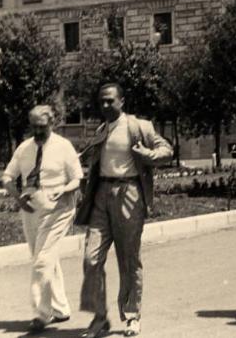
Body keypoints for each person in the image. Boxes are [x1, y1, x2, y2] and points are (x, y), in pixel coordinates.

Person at [76, 83, 173, 338]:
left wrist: (147, 154)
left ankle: (132, 316)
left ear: (122, 101)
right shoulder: (100, 130)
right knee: (90, 258)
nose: (105, 105)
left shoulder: (139, 126)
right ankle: (99, 318)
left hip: (129, 193)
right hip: (101, 196)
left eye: (110, 100)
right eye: (101, 101)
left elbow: (167, 151)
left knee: (129, 259)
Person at [2, 105, 84, 333]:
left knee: (42, 260)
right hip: (31, 209)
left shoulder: (63, 146)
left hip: (59, 209)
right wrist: (19, 200)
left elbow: (78, 178)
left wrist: (65, 189)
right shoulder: (24, 148)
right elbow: (8, 177)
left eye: (42, 126)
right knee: (44, 258)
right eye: (34, 127)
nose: (38, 131)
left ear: (52, 123)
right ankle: (61, 308)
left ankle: (41, 314)